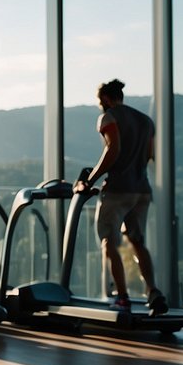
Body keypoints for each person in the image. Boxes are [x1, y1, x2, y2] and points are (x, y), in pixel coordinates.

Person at [72, 78, 168, 315]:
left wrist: (90, 181)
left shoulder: (108, 117)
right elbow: (148, 155)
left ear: (105, 99)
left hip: (117, 189)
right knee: (137, 241)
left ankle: (123, 297)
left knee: (108, 242)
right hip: (141, 190)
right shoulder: (146, 121)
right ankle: (153, 291)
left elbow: (112, 149)